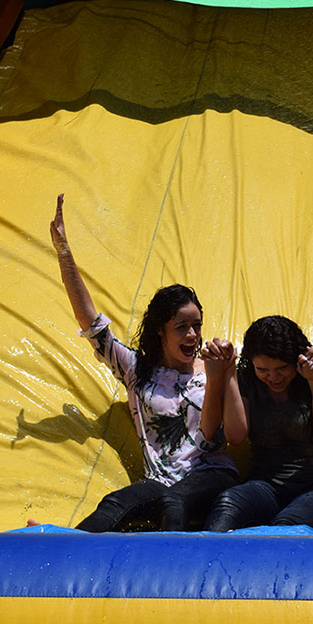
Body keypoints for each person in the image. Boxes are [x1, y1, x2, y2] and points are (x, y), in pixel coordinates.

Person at [47, 193, 237, 532]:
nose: (192, 335)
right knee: (115, 503)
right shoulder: (138, 370)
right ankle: (64, 547)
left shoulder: (211, 369)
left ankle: (171, 565)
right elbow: (90, 321)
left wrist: (219, 374)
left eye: (197, 325)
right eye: (182, 327)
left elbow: (211, 438)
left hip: (210, 475)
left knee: (173, 501)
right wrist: (63, 251)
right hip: (161, 481)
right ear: (160, 331)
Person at [201, 315, 313, 533]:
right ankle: (207, 554)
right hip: (267, 484)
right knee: (228, 503)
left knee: (286, 526)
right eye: (263, 370)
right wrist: (229, 371)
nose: (273, 378)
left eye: (282, 369)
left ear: (297, 360)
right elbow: (236, 436)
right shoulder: (247, 378)